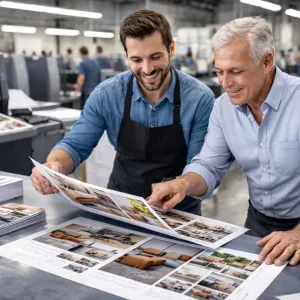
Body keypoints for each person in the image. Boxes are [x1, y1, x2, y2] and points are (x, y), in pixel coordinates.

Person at [30, 9, 214, 215]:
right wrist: (53, 166)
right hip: (122, 206)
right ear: (126, 56)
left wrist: (183, 184)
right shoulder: (107, 94)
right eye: (136, 60)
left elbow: (202, 164)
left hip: (179, 211)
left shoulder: (199, 98)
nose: (147, 69)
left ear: (171, 48)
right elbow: (75, 144)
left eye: (155, 57)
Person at [148, 16, 300, 266]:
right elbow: (209, 164)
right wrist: (183, 184)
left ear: (267, 61)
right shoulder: (223, 109)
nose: (225, 83)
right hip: (258, 223)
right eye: (219, 72)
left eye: (236, 71)